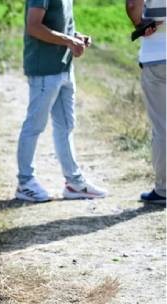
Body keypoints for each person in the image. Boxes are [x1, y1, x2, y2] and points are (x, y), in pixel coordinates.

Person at [15, 0, 107, 202]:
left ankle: (74, 184)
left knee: (66, 126)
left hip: (64, 68)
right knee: (34, 126)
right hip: (44, 70)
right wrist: (68, 41)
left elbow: (58, 25)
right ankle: (25, 183)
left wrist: (75, 37)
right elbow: (34, 27)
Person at [126, 0, 166, 205]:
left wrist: (139, 24)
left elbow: (133, 4)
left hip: (158, 57)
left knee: (162, 127)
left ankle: (164, 189)